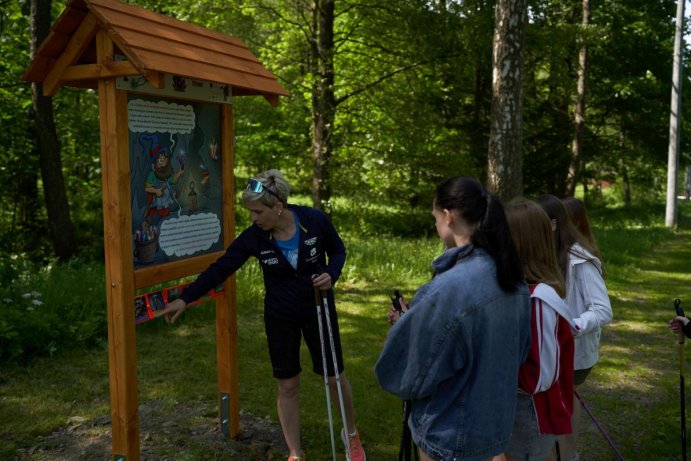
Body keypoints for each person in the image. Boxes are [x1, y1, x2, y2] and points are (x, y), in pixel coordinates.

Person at [160, 169, 365, 461]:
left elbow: (338, 250)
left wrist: (332, 274)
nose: (253, 218)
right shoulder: (255, 237)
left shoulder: (313, 221)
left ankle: (351, 435)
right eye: (251, 212)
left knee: (334, 377)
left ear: (277, 207)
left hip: (319, 308)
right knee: (288, 383)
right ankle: (295, 452)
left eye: (257, 211)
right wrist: (185, 298)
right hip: (280, 316)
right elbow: (222, 267)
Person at [375, 176, 532, 461]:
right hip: (492, 430)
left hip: (449, 435)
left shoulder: (447, 289)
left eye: (434, 216)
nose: (435, 224)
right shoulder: (512, 279)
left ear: (447, 216)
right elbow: (518, 351)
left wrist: (405, 329)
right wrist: (416, 324)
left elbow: (405, 373)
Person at [537, 194, 612, 461]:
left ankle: (567, 455)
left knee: (561, 401)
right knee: (563, 400)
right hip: (552, 348)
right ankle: (566, 455)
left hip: (574, 351)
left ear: (554, 225)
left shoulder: (579, 259)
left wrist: (573, 325)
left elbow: (603, 310)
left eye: (539, 223)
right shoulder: (546, 254)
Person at [501, 198, 576, 461]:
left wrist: (495, 373)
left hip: (530, 415)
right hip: (519, 411)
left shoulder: (539, 299)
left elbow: (539, 377)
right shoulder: (523, 290)